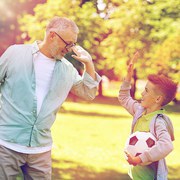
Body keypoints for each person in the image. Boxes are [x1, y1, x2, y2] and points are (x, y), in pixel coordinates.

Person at [0, 16, 101, 179]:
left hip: (41, 150)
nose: (69, 48)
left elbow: (88, 93)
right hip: (6, 145)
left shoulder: (68, 70)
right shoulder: (15, 53)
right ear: (52, 35)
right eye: (67, 43)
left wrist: (88, 64)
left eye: (73, 44)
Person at [118, 52, 178, 180]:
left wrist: (140, 158)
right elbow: (123, 98)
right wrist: (128, 78)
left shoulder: (158, 122)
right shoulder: (140, 111)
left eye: (146, 90)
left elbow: (167, 145)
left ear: (157, 99)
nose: (141, 93)